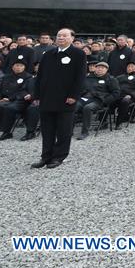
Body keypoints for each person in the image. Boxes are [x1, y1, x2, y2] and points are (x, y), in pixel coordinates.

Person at [31, 28, 87, 169]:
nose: (61, 38)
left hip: (66, 99)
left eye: (64, 35)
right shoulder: (49, 53)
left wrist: (74, 95)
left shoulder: (78, 54)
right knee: (47, 129)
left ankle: (59, 156)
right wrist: (37, 95)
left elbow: (79, 78)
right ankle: (46, 156)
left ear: (72, 38)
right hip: (47, 98)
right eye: (59, 35)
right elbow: (40, 77)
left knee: (63, 130)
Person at [0, 60, 37, 141]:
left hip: (23, 100)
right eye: (16, 65)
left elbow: (24, 89)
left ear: (24, 67)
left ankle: (30, 132)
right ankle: (6, 132)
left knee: (31, 109)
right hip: (19, 99)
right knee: (9, 108)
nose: (18, 67)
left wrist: (11, 98)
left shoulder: (28, 77)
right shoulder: (7, 76)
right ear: (12, 67)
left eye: (21, 66)